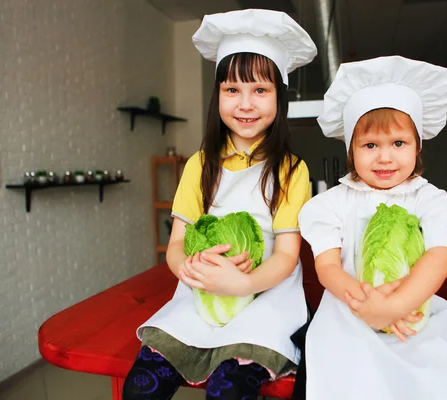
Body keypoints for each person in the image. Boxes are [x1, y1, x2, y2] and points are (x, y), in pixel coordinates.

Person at [122, 9, 317, 400]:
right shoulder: (199, 165)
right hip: (203, 293)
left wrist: (244, 283)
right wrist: (190, 270)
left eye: (260, 90)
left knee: (228, 392)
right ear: (218, 96)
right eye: (232, 90)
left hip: (266, 297)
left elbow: (287, 256)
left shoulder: (292, 170)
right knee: (139, 388)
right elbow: (176, 246)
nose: (245, 104)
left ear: (280, 96)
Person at [298, 56, 447, 399]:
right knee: (349, 377)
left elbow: (440, 257)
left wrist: (395, 308)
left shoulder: (428, 199)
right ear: (351, 150)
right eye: (370, 145)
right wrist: (368, 307)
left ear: (417, 146)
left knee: (428, 380)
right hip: (349, 308)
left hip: (414, 312)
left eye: (398, 143)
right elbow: (326, 267)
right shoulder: (333, 203)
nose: (384, 157)